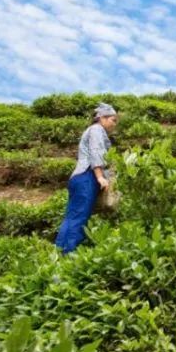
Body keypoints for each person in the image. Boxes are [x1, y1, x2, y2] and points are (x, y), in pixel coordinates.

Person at [55, 103, 117, 254]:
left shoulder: (96, 131)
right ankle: (68, 254)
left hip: (82, 177)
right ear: (102, 118)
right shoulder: (96, 130)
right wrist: (100, 177)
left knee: (73, 216)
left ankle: (59, 253)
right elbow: (96, 152)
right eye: (113, 120)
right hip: (87, 176)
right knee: (79, 217)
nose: (114, 124)